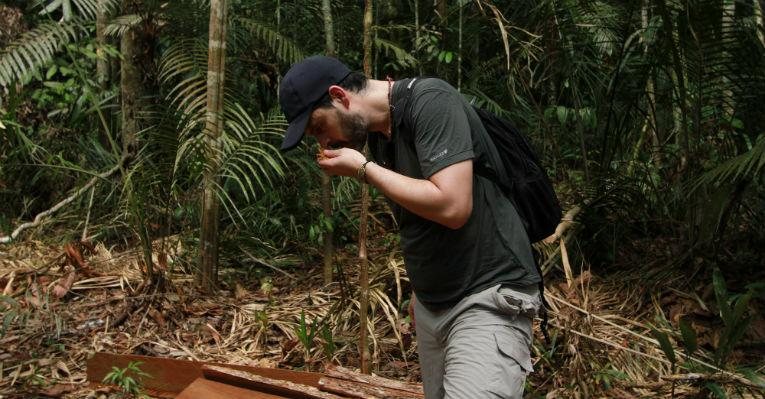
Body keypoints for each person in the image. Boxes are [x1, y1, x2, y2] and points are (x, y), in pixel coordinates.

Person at [278, 55, 541, 399]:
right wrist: (421, 289)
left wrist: (364, 169)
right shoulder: (380, 138)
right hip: (435, 306)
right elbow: (416, 219)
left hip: (488, 294)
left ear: (340, 96)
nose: (323, 143)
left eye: (318, 128)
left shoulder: (432, 101)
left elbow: (453, 206)